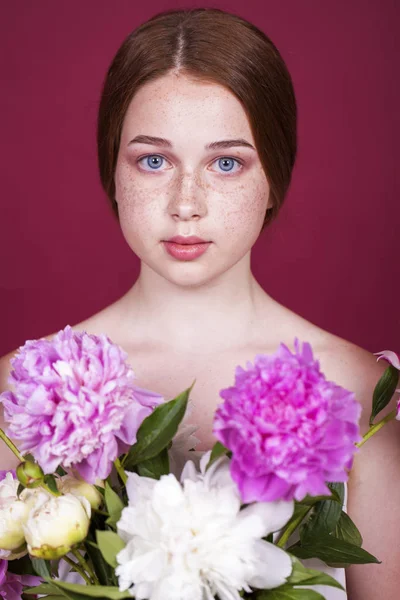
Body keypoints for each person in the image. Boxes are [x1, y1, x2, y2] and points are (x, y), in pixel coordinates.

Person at [0, 7, 399, 599]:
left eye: (227, 162)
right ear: (114, 169)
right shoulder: (22, 396)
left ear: (274, 179)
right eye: (154, 160)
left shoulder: (359, 391)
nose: (187, 203)